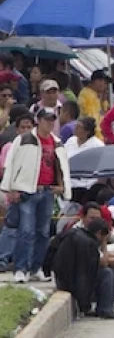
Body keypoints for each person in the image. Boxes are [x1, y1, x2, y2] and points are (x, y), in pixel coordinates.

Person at [1, 107, 70, 283]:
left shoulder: (56, 142)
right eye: (46, 119)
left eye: (52, 119)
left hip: (47, 190)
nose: (49, 123)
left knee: (43, 232)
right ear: (39, 120)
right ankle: (20, 268)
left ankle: (36, 267)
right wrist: (11, 188)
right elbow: (11, 163)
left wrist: (62, 186)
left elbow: (61, 166)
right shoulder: (24, 139)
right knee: (26, 231)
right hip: (27, 190)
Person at [53, 218, 114, 320]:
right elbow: (102, 264)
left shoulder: (75, 233)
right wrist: (104, 244)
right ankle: (106, 308)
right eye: (104, 237)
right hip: (72, 283)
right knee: (107, 272)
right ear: (99, 233)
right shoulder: (90, 243)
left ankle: (108, 305)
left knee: (107, 270)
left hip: (62, 279)